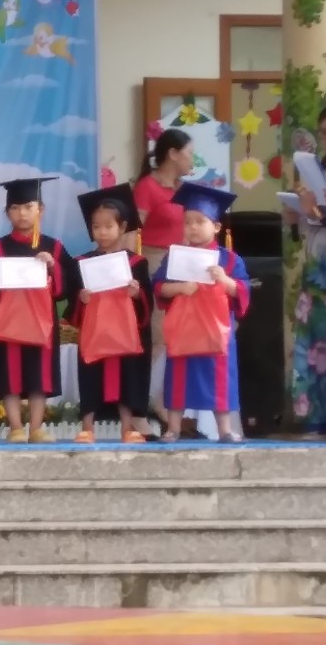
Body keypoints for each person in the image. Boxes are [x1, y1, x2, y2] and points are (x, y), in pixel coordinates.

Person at [152, 182, 250, 443]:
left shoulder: (230, 260)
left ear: (216, 226)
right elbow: (159, 287)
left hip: (217, 329)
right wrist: (181, 288)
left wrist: (224, 280)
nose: (192, 227)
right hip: (184, 327)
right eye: (187, 222)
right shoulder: (175, 257)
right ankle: (173, 428)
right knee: (178, 377)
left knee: (220, 377)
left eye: (199, 221)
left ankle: (225, 430)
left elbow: (242, 290)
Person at [0, 177, 73, 444]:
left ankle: (36, 427)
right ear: (7, 212)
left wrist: (53, 266)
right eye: (15, 208)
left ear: (40, 209)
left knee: (38, 376)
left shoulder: (53, 247)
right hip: (7, 321)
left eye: (28, 207)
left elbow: (67, 287)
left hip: (41, 322)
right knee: (9, 375)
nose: (22, 213)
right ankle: (15, 428)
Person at [68, 183, 153, 444]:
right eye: (96, 227)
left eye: (108, 226)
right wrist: (81, 299)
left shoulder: (136, 263)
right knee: (91, 378)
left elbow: (147, 304)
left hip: (125, 334)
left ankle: (127, 429)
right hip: (95, 333)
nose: (102, 232)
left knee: (127, 378)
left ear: (123, 227)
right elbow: (73, 303)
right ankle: (87, 428)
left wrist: (137, 295)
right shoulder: (82, 263)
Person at [285, 103, 326, 439]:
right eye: (325, 133)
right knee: (317, 340)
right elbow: (321, 219)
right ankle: (318, 415)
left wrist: (323, 211)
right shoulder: (324, 164)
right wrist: (299, 213)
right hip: (319, 265)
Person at [133, 128, 192, 431]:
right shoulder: (148, 187)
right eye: (189, 153)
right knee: (158, 336)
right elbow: (133, 231)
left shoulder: (184, 189)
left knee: (176, 337)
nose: (192, 159)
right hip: (156, 262)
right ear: (173, 154)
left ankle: (164, 399)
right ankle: (144, 404)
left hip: (182, 264)